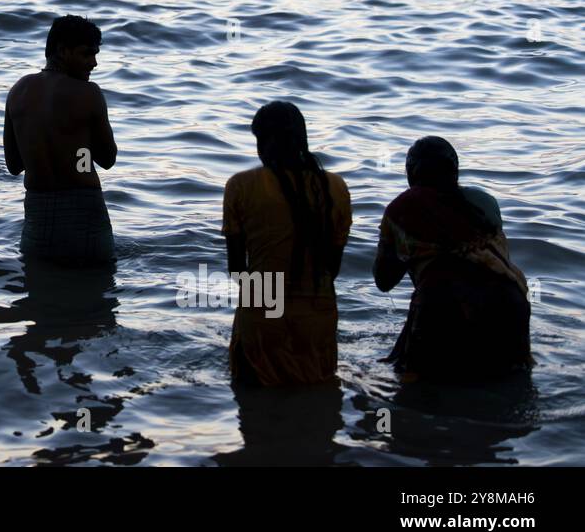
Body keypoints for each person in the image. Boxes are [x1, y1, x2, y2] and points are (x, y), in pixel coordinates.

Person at [373, 136, 532, 382]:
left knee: (416, 394)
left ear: (411, 173)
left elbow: (384, 281)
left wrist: (408, 249)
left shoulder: (404, 209)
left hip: (444, 307)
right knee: (511, 389)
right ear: (455, 170)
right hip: (510, 304)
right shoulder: (485, 202)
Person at [221, 101, 352, 386]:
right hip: (318, 312)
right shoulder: (336, 187)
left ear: (265, 142)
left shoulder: (241, 185)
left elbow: (236, 269)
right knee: (317, 412)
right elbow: (333, 268)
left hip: (263, 311)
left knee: (256, 411)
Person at [4, 15, 117, 265]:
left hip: (37, 223)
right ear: (62, 51)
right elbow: (108, 159)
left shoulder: (18, 91)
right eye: (87, 54)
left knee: (39, 297)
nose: (94, 63)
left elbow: (13, 165)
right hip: (86, 217)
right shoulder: (89, 93)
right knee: (95, 298)